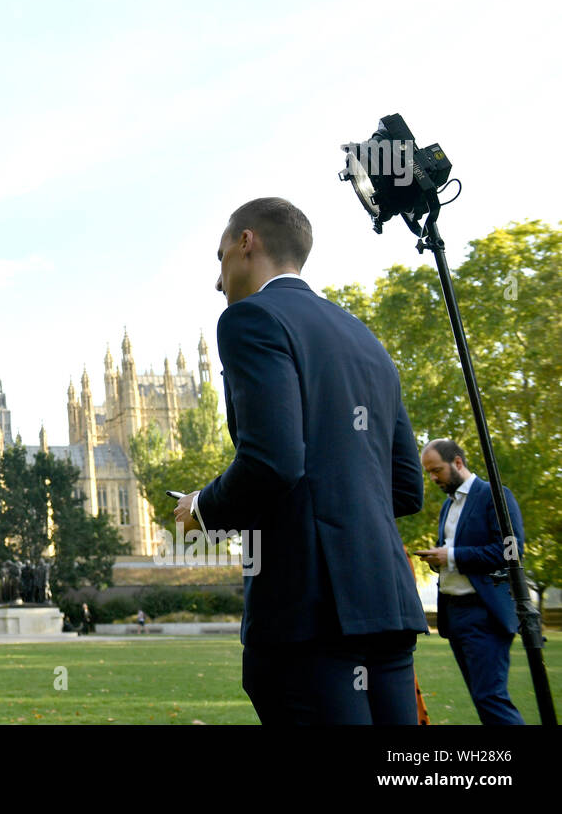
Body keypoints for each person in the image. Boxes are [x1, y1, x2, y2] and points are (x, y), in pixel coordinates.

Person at [173, 197, 427, 724]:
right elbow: (405, 487)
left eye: (220, 258)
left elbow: (273, 461)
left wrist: (204, 508)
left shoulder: (251, 320)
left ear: (247, 243)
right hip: (385, 602)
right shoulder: (366, 340)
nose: (218, 282)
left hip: (307, 608)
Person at [414, 439, 525, 724]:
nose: (433, 478)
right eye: (428, 472)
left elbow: (509, 551)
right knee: (482, 698)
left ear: (458, 463)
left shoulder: (494, 495)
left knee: (491, 697)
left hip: (484, 612)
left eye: (436, 470)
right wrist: (439, 559)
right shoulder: (447, 506)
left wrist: (450, 555)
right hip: (455, 613)